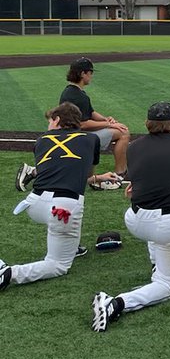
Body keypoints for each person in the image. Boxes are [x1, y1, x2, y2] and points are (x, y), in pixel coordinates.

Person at [90, 102, 170, 331]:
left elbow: (155, 174)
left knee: (157, 231)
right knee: (167, 286)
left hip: (136, 220)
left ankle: (158, 264)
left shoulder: (134, 147)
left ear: (147, 123)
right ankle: (115, 304)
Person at [0, 103, 113, 291]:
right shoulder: (91, 139)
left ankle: (70, 245)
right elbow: (83, 175)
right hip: (62, 208)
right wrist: (98, 177)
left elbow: (56, 170)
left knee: (61, 230)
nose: (48, 125)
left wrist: (99, 177)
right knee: (58, 266)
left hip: (34, 203)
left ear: (58, 120)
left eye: (50, 121)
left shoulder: (41, 141)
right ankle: (10, 274)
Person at [58, 57, 130, 181]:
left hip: (70, 136)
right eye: (90, 73)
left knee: (118, 127)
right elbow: (84, 123)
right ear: (82, 74)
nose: (91, 76)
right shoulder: (79, 96)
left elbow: (90, 112)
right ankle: (121, 172)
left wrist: (107, 120)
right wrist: (109, 125)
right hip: (78, 140)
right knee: (123, 132)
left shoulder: (71, 91)